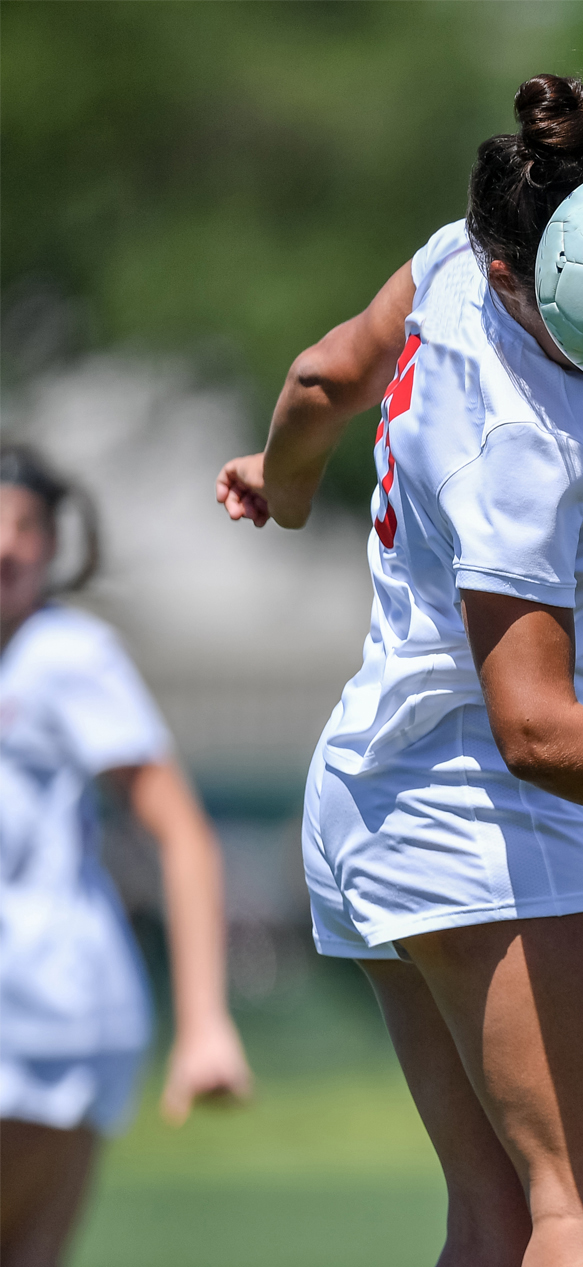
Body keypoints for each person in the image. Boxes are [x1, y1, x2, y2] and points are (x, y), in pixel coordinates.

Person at [214, 74, 583, 1267]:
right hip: (473, 807)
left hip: (378, 783)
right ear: (512, 275)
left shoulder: (454, 253)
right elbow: (535, 729)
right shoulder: (522, 450)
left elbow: (323, 376)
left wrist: (280, 481)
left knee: (504, 1217)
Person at [1, 444, 254, 1267]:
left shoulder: (67, 657)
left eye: (26, 528)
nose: (7, 547)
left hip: (45, 1012)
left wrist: (206, 1022)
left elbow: (181, 834)